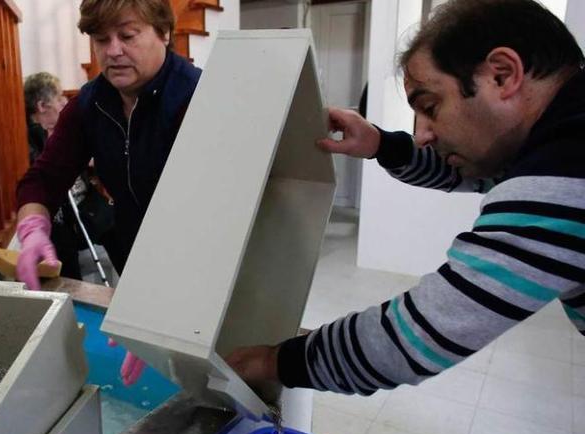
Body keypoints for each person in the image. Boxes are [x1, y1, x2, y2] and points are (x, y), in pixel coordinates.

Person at [227, 0, 585, 395]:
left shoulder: (566, 168)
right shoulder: (558, 135)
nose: (425, 134)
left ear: (501, 75)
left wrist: (271, 360)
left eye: (431, 107)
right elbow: (464, 173)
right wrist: (381, 144)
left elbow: (416, 336)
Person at [15, 0, 201, 385]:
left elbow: (214, 219)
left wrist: (161, 299)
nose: (113, 50)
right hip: (135, 257)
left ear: (163, 32)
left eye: (127, 36)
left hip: (200, 269)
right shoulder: (90, 104)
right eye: (101, 39)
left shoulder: (198, 98)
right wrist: (32, 227)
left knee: (207, 382)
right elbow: (45, 177)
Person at [23, 72, 83, 280]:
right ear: (42, 106)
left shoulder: (54, 133)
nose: (64, 102)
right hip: (55, 221)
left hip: (77, 213)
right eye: (59, 97)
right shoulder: (32, 140)